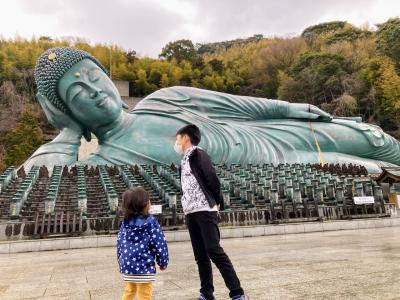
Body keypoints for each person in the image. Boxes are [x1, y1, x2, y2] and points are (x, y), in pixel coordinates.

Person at [23, 47, 400, 173]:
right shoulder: (106, 160)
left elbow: (238, 105)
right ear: (68, 111)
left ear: (108, 76)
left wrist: (290, 106)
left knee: (375, 138)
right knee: (377, 170)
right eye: (76, 93)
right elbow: (36, 180)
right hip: (278, 165)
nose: (94, 91)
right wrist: (67, 133)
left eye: (93, 76)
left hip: (272, 133)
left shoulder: (164, 98)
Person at [175, 124, 248, 300]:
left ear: (186, 137)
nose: (176, 142)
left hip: (205, 210)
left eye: (177, 138)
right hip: (191, 212)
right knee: (200, 256)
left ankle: (237, 293)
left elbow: (211, 177)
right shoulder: (184, 159)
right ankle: (207, 293)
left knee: (214, 250)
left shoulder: (199, 154)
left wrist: (217, 201)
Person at [117, 187, 169, 300]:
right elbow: (159, 244)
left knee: (129, 291)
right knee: (145, 294)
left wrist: (120, 260)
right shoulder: (151, 222)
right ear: (145, 204)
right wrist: (163, 262)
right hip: (144, 267)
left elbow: (119, 243)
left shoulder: (125, 223)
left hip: (128, 267)